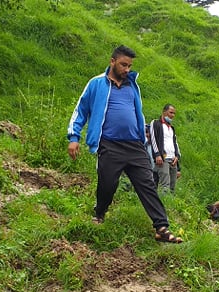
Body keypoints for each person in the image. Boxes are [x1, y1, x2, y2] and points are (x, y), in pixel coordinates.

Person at [67, 45, 183, 243]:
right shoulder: (97, 84)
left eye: (129, 66)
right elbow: (81, 109)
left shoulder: (132, 86)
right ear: (112, 61)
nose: (127, 69)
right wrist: (74, 137)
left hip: (134, 145)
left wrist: (142, 136)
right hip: (109, 144)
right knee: (108, 183)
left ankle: (161, 227)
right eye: (123, 64)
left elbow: (137, 112)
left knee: (146, 184)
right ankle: (99, 213)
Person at [149, 104, 181, 193]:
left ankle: (171, 204)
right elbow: (153, 139)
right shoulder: (155, 123)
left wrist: (177, 156)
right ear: (164, 112)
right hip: (163, 158)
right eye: (171, 112)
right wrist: (157, 155)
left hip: (173, 159)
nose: (172, 115)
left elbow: (175, 143)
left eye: (174, 113)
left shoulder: (171, 128)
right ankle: (164, 203)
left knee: (172, 186)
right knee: (165, 185)